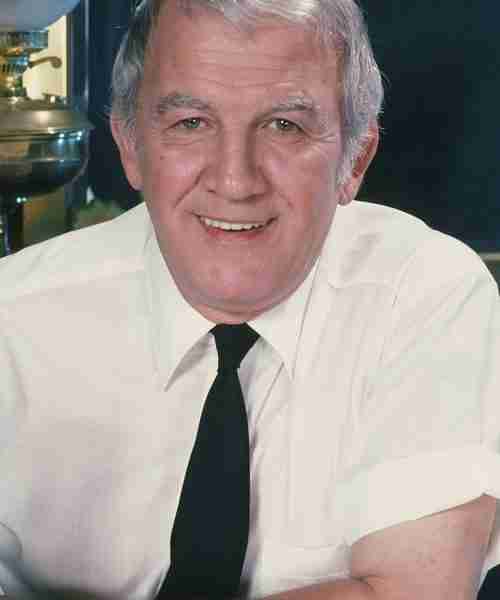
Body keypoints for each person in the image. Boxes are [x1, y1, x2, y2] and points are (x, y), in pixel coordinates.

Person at [0, 0, 499, 598]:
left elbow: (409, 592)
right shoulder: (13, 322)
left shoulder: (424, 296)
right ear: (130, 147)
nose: (235, 181)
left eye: (284, 126)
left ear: (355, 159)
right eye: (191, 123)